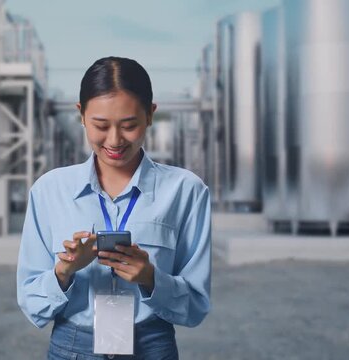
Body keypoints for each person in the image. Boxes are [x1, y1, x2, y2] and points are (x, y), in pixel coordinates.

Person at [17, 56, 211, 359]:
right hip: (73, 347)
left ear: (150, 115)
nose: (115, 140)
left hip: (151, 346)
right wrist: (64, 270)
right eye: (101, 125)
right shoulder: (49, 190)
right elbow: (31, 303)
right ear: (81, 115)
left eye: (129, 125)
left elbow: (196, 306)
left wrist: (150, 277)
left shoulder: (186, 191)